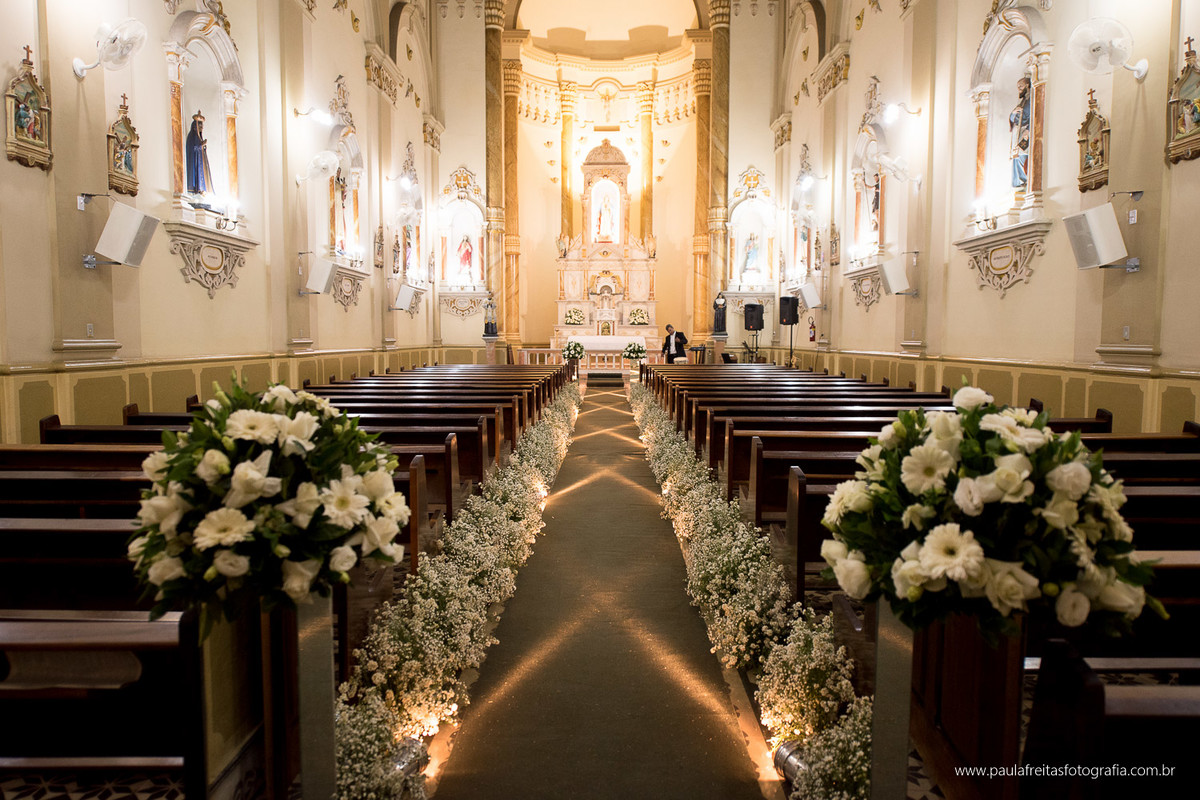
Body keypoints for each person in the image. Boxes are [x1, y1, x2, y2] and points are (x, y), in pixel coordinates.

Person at [1010, 77, 1031, 191]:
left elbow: (1034, 115)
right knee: (1016, 155)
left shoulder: (1031, 98)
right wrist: (1013, 114)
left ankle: (1025, 180)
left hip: (1026, 131)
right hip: (1018, 131)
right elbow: (1013, 117)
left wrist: (1028, 129)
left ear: (1027, 86)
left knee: (1022, 154)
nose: (1019, 89)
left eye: (1021, 86)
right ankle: (1018, 182)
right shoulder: (1023, 100)